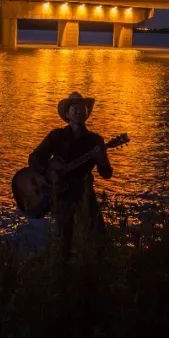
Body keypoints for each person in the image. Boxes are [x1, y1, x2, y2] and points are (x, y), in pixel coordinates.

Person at [28, 92, 113, 258]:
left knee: (98, 234)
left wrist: (101, 159)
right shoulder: (57, 136)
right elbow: (34, 158)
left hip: (84, 192)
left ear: (87, 113)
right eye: (74, 108)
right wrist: (49, 173)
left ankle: (97, 269)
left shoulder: (96, 141)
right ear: (67, 114)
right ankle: (62, 271)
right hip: (62, 193)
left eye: (82, 108)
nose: (79, 111)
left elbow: (107, 173)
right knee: (64, 238)